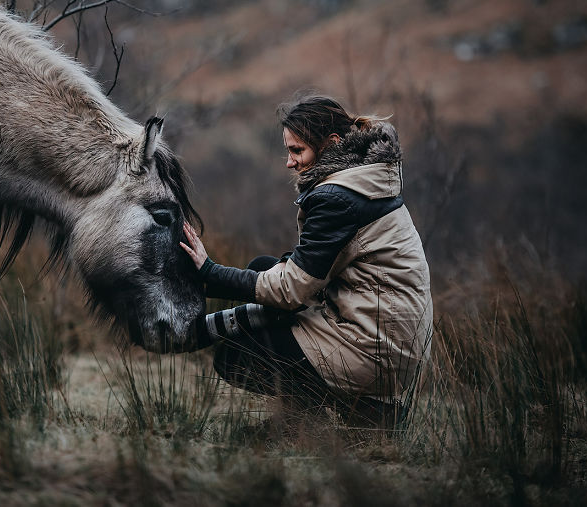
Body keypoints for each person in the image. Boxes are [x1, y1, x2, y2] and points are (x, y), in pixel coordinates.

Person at [180, 94, 433, 427]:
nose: (290, 162)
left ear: (331, 144)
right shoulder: (364, 179)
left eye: (297, 150)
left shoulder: (339, 197)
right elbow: (313, 269)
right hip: (388, 337)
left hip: (374, 349)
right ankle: (310, 420)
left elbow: (292, 291)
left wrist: (210, 273)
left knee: (235, 356)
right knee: (263, 268)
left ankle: (346, 417)